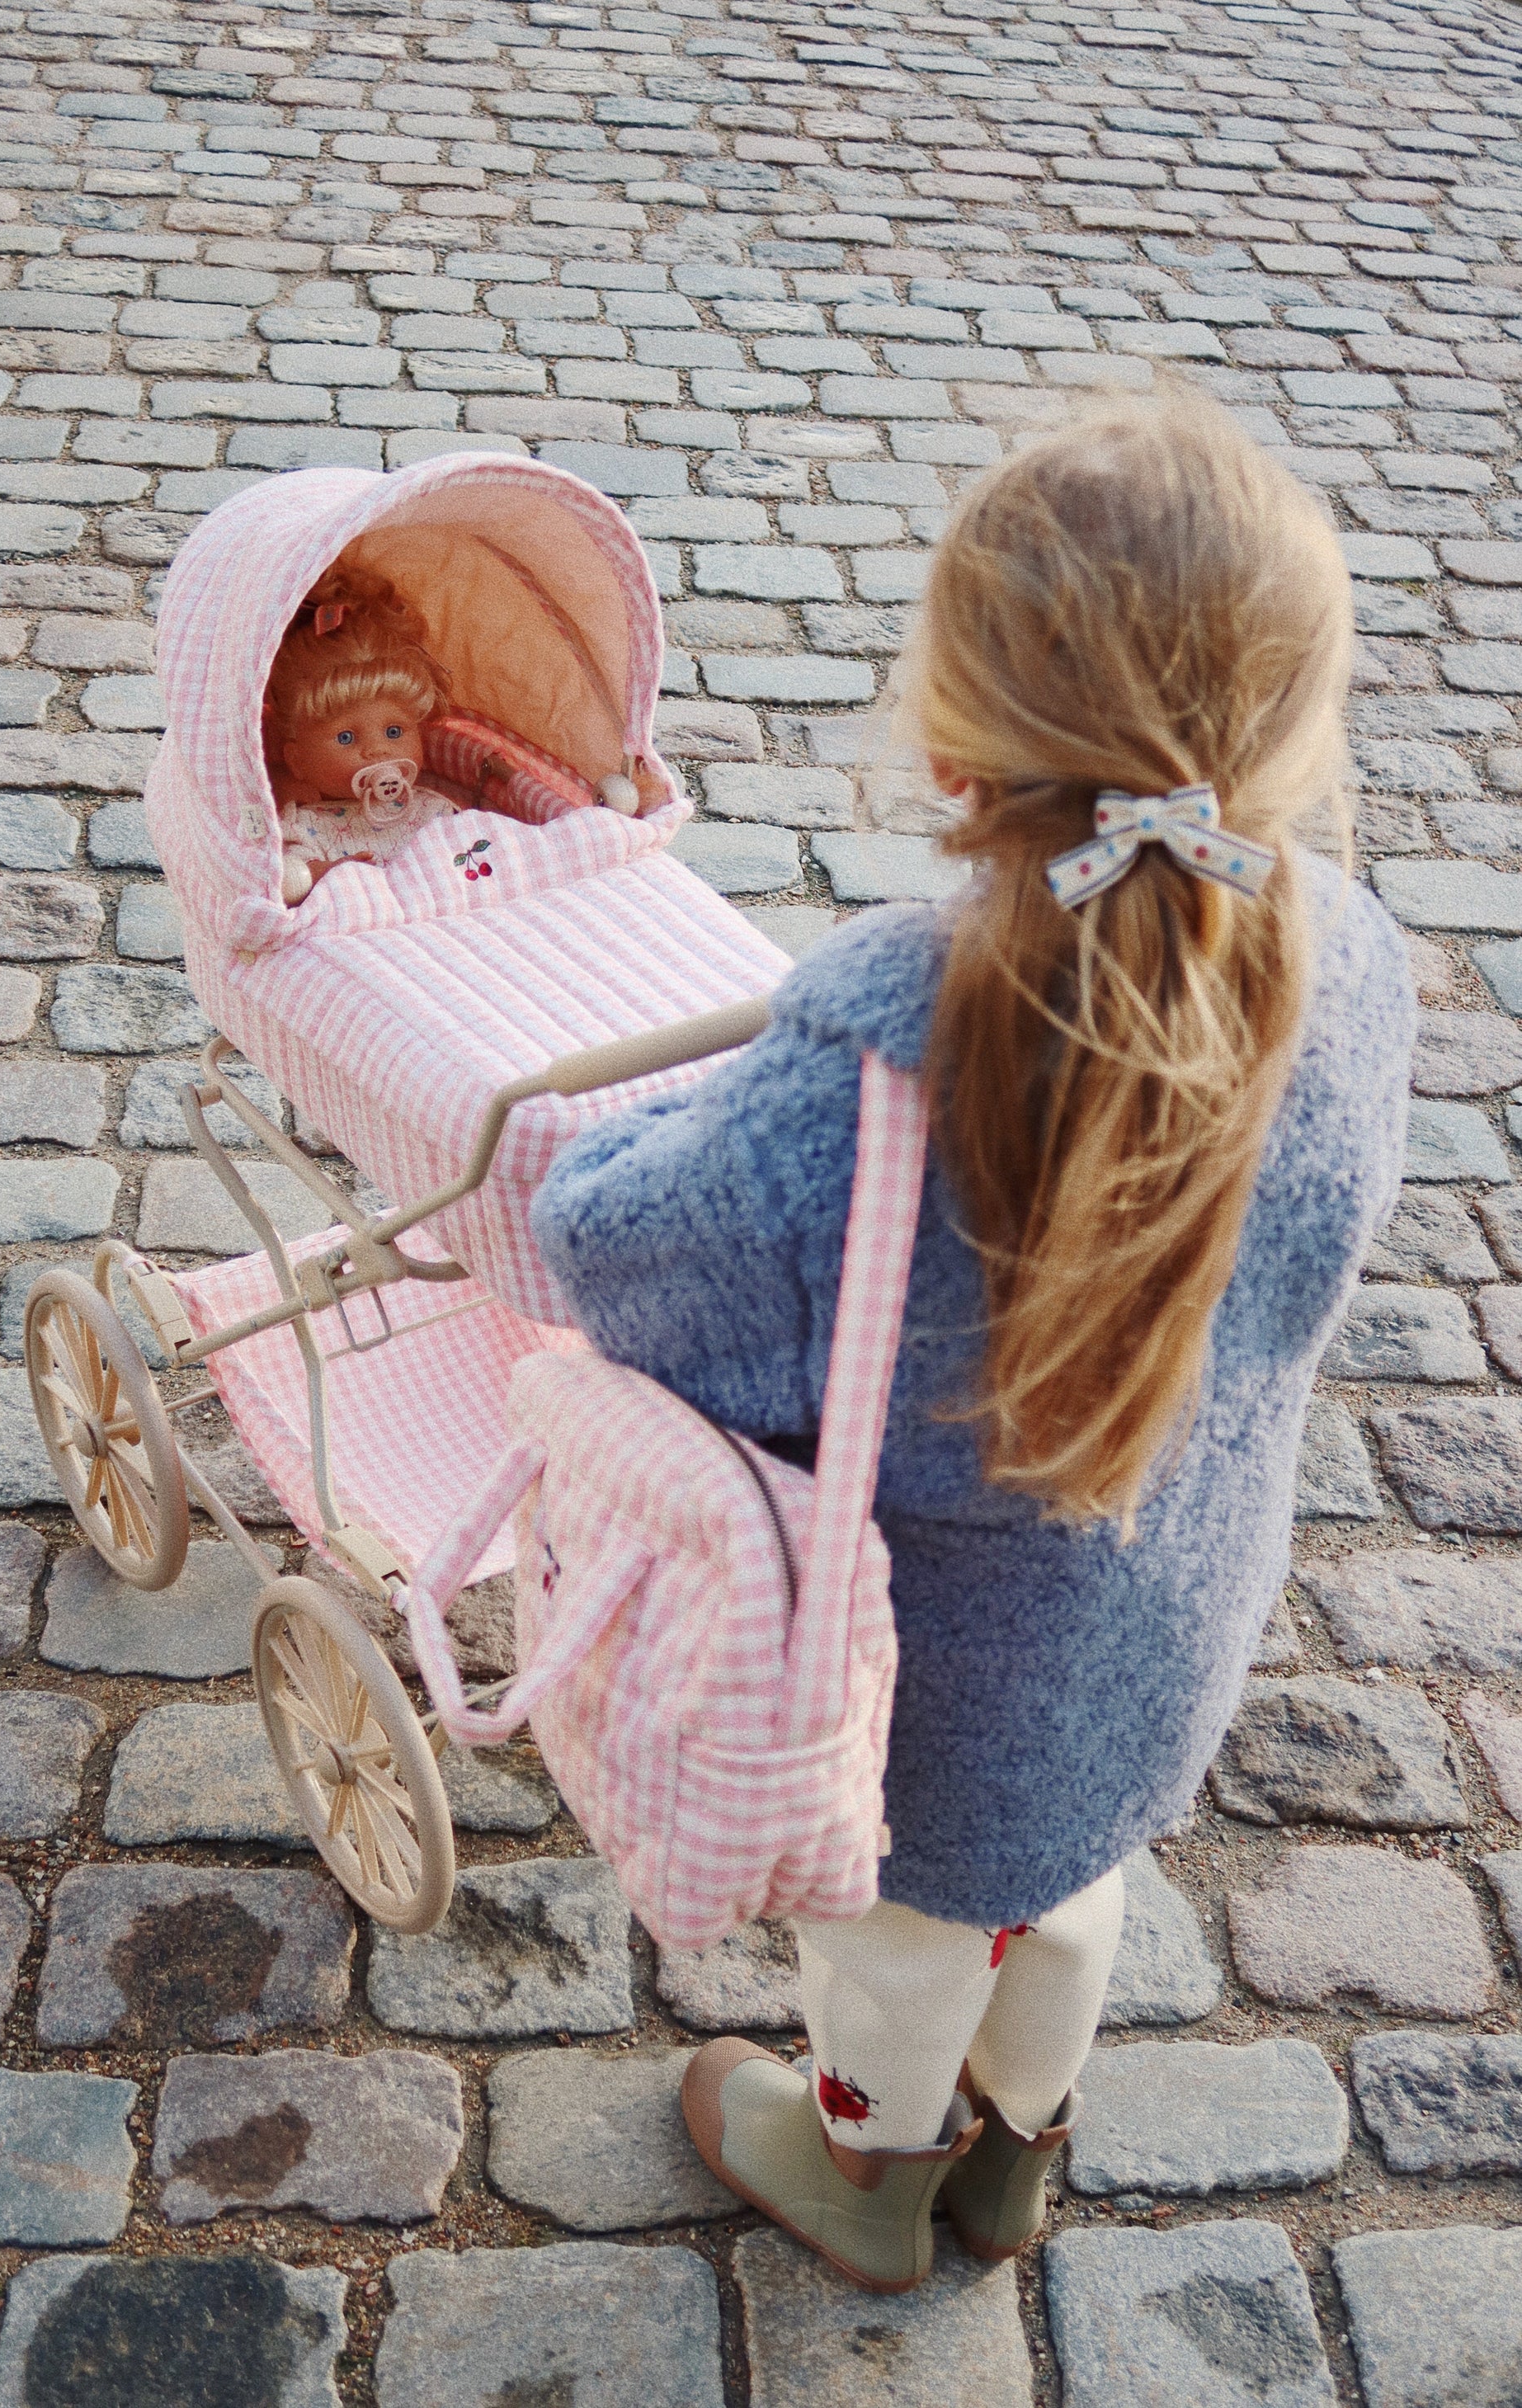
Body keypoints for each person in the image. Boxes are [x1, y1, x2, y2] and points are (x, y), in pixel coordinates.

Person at [529, 392, 1415, 2293]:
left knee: (901, 1954)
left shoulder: (881, 1069)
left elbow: (629, 1266)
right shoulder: (1352, 962)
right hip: (1162, 1629)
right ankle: (1020, 2156)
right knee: (1073, 1898)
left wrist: (600, 1147)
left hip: (931, 1703)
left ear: (956, 749)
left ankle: (864, 2174)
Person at [262, 566, 473, 902]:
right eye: (346, 738)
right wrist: (324, 875)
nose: (377, 751)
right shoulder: (306, 827)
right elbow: (286, 883)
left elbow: (475, 854)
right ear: (297, 760)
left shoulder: (431, 809)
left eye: (394, 731)